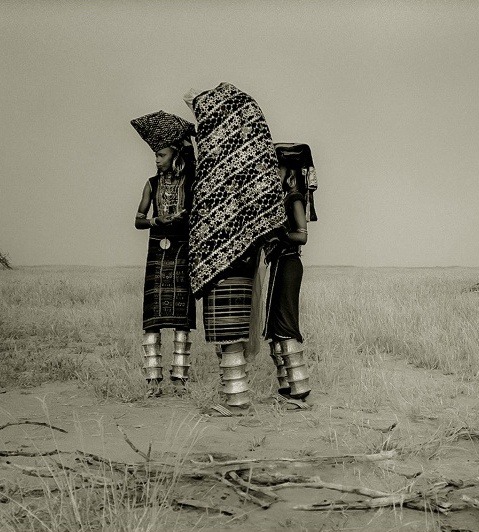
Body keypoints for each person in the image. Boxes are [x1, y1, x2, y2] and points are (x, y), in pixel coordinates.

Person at [184, 82, 286, 413]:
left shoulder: (215, 167)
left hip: (224, 264)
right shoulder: (249, 161)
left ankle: (237, 400)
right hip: (245, 257)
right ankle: (236, 398)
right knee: (235, 326)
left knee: (228, 327)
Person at [131, 110, 196, 398]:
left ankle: (179, 377)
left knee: (181, 316)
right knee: (152, 316)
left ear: (175, 155)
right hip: (157, 248)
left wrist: (184, 216)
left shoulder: (190, 181)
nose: (156, 159)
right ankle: (152, 381)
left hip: (182, 248)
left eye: (161, 154)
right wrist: (156, 221)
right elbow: (138, 219)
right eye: (155, 155)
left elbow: (199, 212)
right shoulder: (151, 184)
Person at [263, 143, 318, 402]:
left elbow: (302, 236)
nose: (274, 174)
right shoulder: (281, 200)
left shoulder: (294, 198)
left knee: (285, 322)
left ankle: (299, 386)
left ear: (291, 174)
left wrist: (279, 235)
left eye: (278, 169)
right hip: (279, 265)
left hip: (289, 264)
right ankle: (286, 385)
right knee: (275, 324)